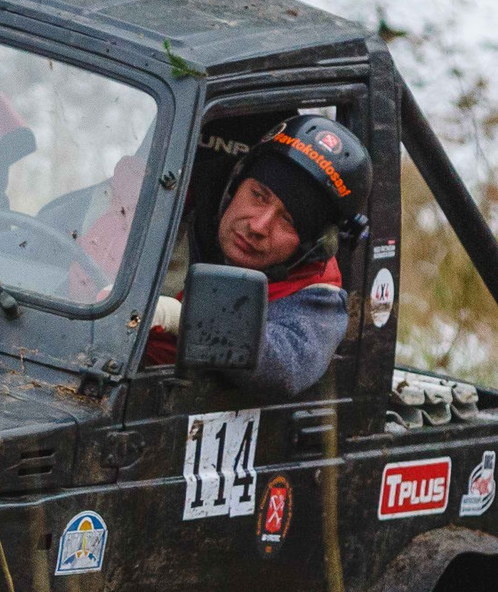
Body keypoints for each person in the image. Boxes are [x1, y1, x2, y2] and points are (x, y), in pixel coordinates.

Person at [145, 114, 369, 399]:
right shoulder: (170, 203)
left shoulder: (316, 299)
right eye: (259, 195)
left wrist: (183, 317)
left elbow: (284, 366)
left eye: (288, 219)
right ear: (236, 182)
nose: (258, 226)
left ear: (315, 244)